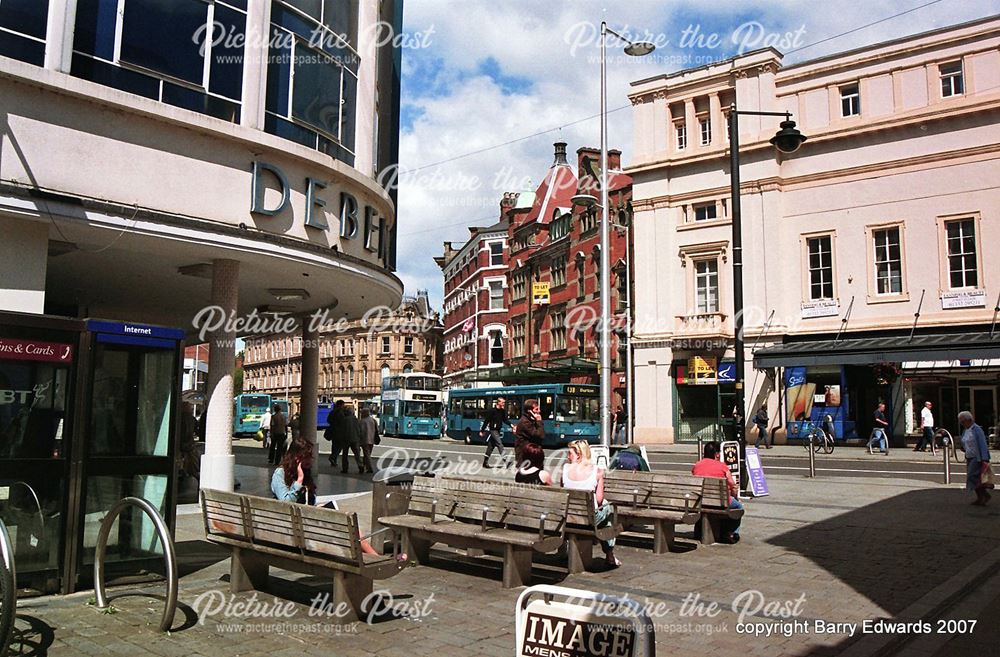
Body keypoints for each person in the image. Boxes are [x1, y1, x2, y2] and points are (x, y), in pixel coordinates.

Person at [561, 440, 619, 567]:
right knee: (607, 512)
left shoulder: (564, 470)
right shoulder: (597, 471)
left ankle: (564, 549)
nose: (567, 456)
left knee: (604, 510)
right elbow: (598, 500)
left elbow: (562, 494)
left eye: (569, 453)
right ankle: (609, 554)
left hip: (568, 517)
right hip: (588, 518)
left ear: (579, 455)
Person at [692, 441, 743, 544]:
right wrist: (735, 496)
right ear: (717, 454)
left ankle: (700, 531)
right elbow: (733, 486)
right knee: (739, 507)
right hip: (720, 501)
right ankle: (731, 533)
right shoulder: (722, 466)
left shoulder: (697, 465)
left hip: (701, 501)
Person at [959, 411, 992, 506]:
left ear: (969, 420)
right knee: (975, 478)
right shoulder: (966, 430)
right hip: (969, 456)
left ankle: (984, 495)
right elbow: (965, 441)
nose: (962, 424)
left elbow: (982, 444)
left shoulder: (977, 429)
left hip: (977, 457)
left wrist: (984, 458)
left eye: (963, 422)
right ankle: (981, 497)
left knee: (972, 477)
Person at [271, 436, 316, 505]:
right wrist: (299, 480)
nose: (309, 460)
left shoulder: (306, 471)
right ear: (295, 457)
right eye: (305, 457)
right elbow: (286, 503)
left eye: (310, 456)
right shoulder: (280, 473)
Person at [480, 397, 511, 468]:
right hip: (493, 430)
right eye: (502, 402)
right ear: (498, 402)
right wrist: (482, 430)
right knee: (500, 444)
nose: (504, 404)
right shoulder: (492, 411)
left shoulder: (502, 411)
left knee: (491, 446)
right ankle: (506, 461)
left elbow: (505, 420)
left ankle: (485, 462)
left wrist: (511, 425)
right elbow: (486, 421)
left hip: (498, 430)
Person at [514, 399, 545, 466]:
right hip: (526, 456)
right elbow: (539, 435)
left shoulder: (531, 420)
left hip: (532, 455)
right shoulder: (525, 422)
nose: (539, 411)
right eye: (536, 409)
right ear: (529, 411)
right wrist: (539, 422)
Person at [338, 406, 364, 474]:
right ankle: (360, 466)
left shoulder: (344, 420)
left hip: (346, 439)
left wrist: (341, 438)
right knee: (357, 454)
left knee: (345, 455)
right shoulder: (357, 420)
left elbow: (341, 430)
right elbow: (360, 430)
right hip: (355, 439)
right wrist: (359, 438)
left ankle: (345, 468)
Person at [179, 402, 200, 478]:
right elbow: (198, 430)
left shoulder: (179, 417)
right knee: (193, 465)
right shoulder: (192, 418)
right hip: (190, 445)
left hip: (181, 445)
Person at [324, 400, 347, 468]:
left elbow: (328, 420)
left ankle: (334, 460)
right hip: (339, 432)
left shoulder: (332, 412)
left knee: (334, 446)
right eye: (343, 405)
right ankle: (333, 457)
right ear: (341, 405)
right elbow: (343, 422)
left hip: (333, 432)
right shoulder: (341, 412)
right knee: (339, 446)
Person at [358, 407, 379, 474]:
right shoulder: (373, 420)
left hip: (365, 439)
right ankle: (364, 466)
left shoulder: (362, 421)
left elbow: (360, 431)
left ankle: (369, 468)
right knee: (367, 454)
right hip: (372, 439)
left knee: (367, 454)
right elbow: (376, 430)